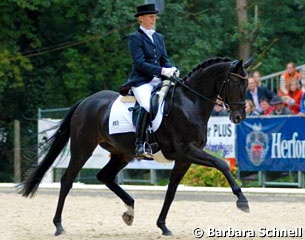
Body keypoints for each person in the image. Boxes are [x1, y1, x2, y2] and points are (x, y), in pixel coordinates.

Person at [119, 3, 179, 157]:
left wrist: (171, 68)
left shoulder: (159, 37)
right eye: (151, 17)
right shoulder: (135, 38)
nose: (154, 19)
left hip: (159, 80)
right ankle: (140, 144)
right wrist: (161, 70)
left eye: (154, 17)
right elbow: (139, 63)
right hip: (141, 81)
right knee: (147, 105)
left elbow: (164, 59)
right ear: (141, 18)